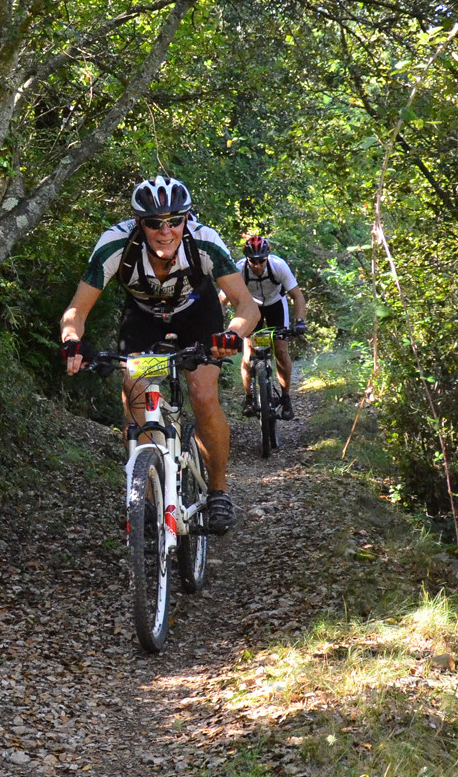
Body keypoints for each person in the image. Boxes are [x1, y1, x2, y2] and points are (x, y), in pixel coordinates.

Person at [60, 175, 262, 534]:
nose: (165, 231)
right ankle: (147, 499)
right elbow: (76, 311)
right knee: (135, 396)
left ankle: (218, 492)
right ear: (139, 223)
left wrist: (232, 335)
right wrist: (72, 341)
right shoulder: (115, 244)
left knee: (202, 393)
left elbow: (247, 305)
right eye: (154, 223)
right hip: (143, 318)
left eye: (175, 221)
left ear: (187, 219)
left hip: (197, 313)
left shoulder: (205, 242)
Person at [225, 234, 306, 420]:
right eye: (253, 261)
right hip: (251, 308)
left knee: (281, 349)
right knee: (247, 355)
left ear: (267, 257)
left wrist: (299, 322)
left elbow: (297, 296)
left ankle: (286, 398)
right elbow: (222, 298)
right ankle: (249, 398)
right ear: (247, 259)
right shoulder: (239, 269)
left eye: (261, 260)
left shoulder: (278, 265)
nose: (258, 265)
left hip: (276, 305)